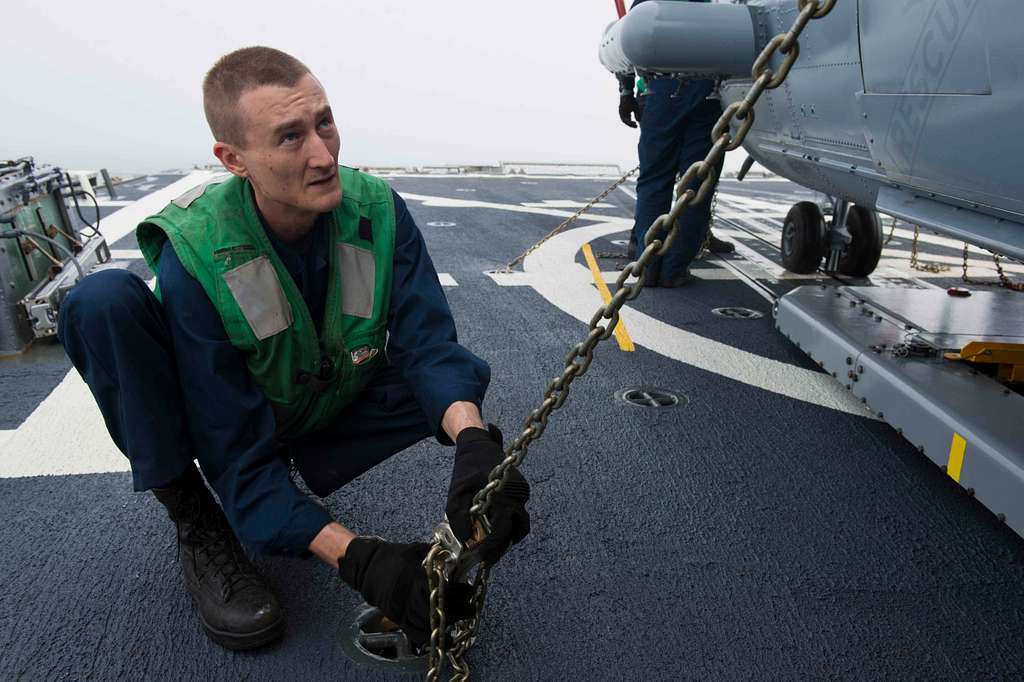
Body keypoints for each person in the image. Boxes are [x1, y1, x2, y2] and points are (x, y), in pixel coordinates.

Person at [57, 46, 529, 651]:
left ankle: (307, 482)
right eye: (289, 138)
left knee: (448, 389)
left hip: (328, 391)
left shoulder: (378, 211)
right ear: (234, 160)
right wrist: (360, 559)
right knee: (101, 303)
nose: (323, 154)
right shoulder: (198, 254)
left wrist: (474, 442)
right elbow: (231, 445)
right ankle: (197, 526)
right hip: (235, 413)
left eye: (324, 122)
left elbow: (428, 345)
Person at [617, 0, 734, 287]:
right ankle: (674, 270)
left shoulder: (647, 4)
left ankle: (649, 267)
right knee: (696, 188)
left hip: (661, 92)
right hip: (707, 96)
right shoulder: (707, 5)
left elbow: (628, 42)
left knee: (654, 181)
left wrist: (625, 92)